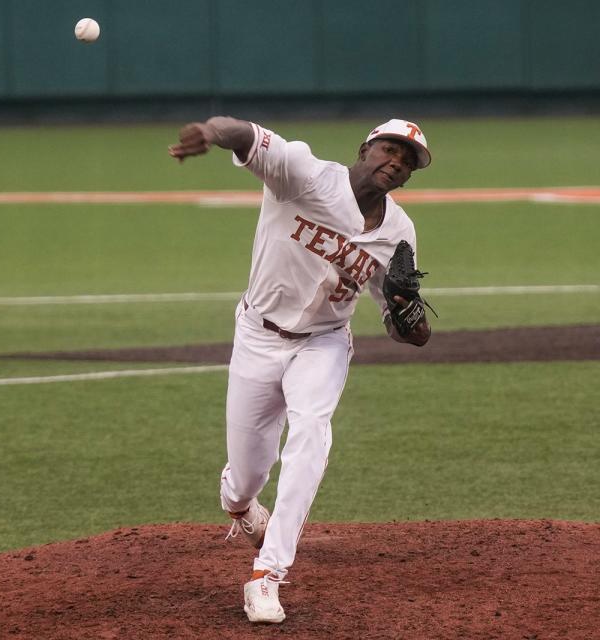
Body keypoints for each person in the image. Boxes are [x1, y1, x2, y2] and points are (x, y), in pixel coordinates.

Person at [169, 117, 433, 623]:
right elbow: (245, 134)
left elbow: (409, 331)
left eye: (408, 159)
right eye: (390, 149)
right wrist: (210, 130)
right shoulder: (304, 175)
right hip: (257, 335)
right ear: (365, 148)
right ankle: (241, 505)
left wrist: (406, 310)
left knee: (312, 433)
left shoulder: (400, 232)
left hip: (325, 343)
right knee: (246, 475)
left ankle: (267, 575)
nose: (397, 161)